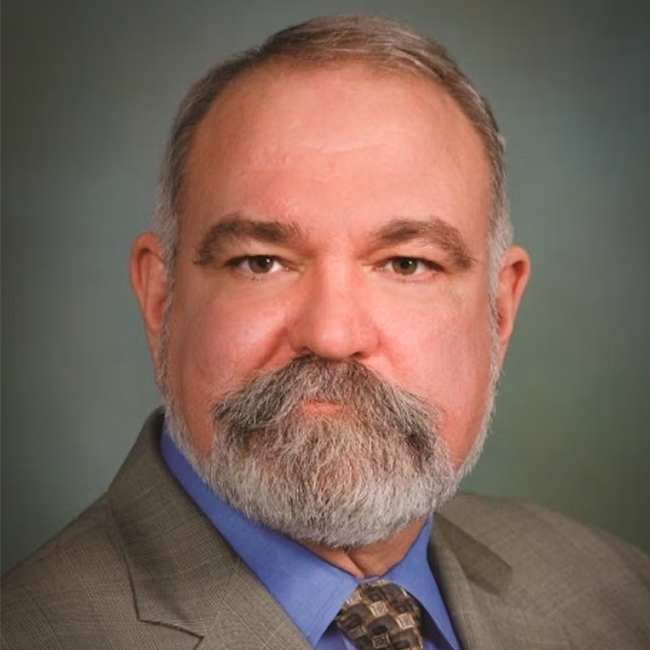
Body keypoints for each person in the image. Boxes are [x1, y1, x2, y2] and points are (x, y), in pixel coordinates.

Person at [2, 14, 649, 650]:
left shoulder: (622, 595)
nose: (333, 335)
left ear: (499, 313)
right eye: (261, 262)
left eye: (407, 264)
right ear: (160, 301)